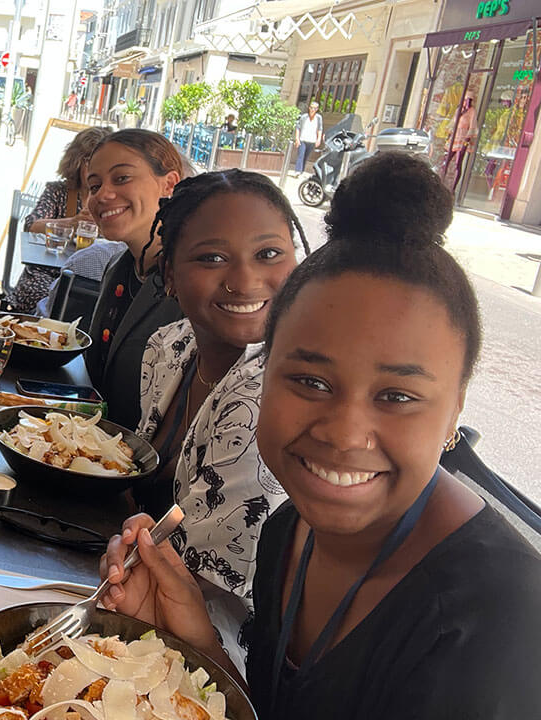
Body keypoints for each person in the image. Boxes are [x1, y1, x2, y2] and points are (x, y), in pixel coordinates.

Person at [99, 153, 541, 718]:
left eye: (397, 397)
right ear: (263, 369)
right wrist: (194, 642)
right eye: (310, 380)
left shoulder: (496, 619)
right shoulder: (291, 531)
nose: (343, 433)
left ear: (455, 410)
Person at [132, 169, 310, 669]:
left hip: (222, 664)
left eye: (269, 254)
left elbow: (216, 609)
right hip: (142, 613)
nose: (245, 280)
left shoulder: (275, 400)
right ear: (169, 274)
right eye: (212, 257)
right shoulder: (169, 349)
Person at [83, 129, 187, 429]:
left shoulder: (188, 284)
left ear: (169, 184)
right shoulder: (118, 266)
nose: (102, 194)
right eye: (94, 185)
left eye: (122, 178)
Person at [7, 126, 111, 311]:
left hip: (90, 279)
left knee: (95, 307)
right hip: (45, 273)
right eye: (89, 161)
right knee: (51, 299)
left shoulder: (111, 200)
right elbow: (32, 225)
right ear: (77, 161)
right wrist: (71, 223)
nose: (95, 170)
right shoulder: (59, 191)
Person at [294, 101, 323, 174]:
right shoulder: (304, 117)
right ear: (309, 108)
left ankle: (301, 171)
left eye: (315, 108)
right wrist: (297, 138)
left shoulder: (318, 118)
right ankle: (297, 170)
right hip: (303, 139)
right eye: (311, 107)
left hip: (312, 140)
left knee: (305, 156)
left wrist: (318, 139)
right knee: (301, 155)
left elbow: (320, 129)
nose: (313, 109)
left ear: (317, 109)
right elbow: (298, 127)